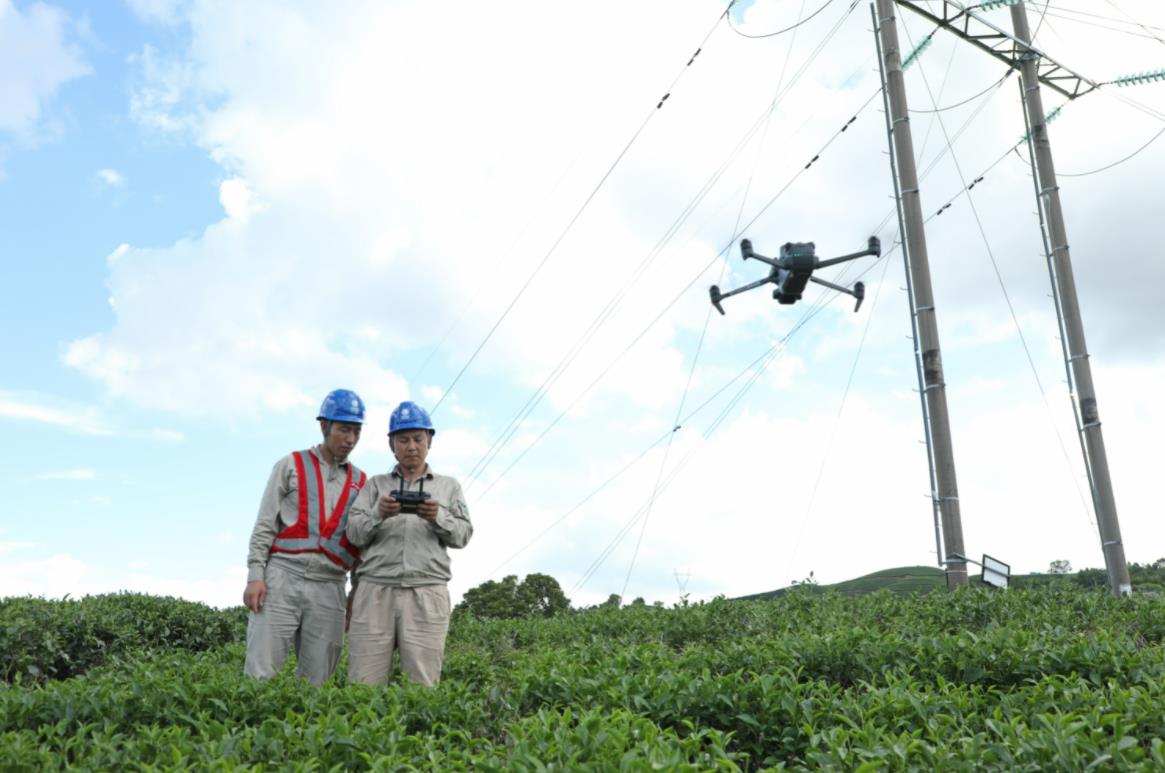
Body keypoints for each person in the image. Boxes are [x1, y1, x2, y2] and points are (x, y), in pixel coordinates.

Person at [242, 388, 368, 685]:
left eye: (356, 431)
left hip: (331, 584)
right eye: (344, 429)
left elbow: (362, 546)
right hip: (282, 577)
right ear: (324, 426)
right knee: (260, 673)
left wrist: (354, 598)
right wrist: (255, 575)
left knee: (318, 681)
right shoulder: (290, 464)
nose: (350, 439)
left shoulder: (362, 482)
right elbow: (264, 524)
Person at [346, 400, 473, 686]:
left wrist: (438, 516)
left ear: (429, 440)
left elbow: (464, 534)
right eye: (403, 440)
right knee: (363, 683)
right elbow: (353, 533)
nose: (411, 446)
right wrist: (378, 514)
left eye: (418, 438)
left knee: (422, 685)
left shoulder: (448, 486)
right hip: (375, 589)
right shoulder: (375, 485)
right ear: (391, 444)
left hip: (427, 590)